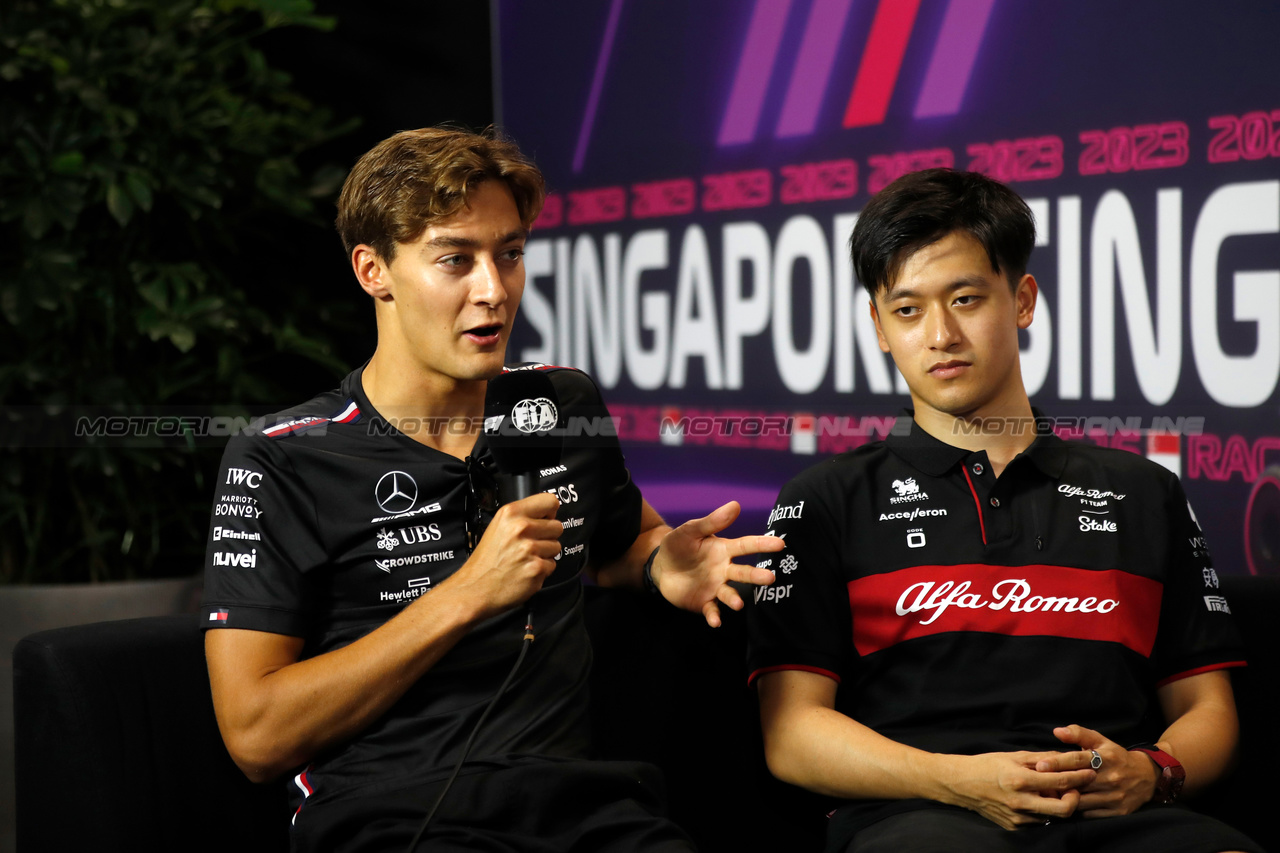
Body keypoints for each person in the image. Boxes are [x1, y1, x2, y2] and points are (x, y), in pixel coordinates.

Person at [201, 126, 782, 852]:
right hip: (391, 820)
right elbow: (255, 734)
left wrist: (667, 560)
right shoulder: (281, 457)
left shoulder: (560, 406)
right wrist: (469, 592)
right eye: (455, 259)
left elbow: (619, 542)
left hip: (584, 810)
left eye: (509, 254)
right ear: (372, 270)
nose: (494, 289)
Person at [746, 168, 1262, 853]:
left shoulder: (1144, 491)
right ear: (877, 325)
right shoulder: (824, 499)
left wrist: (1154, 771)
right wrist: (956, 779)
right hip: (917, 817)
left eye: (965, 298)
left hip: (1119, 819)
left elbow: (1208, 709)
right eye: (907, 309)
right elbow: (791, 736)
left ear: (1021, 300)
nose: (940, 334)